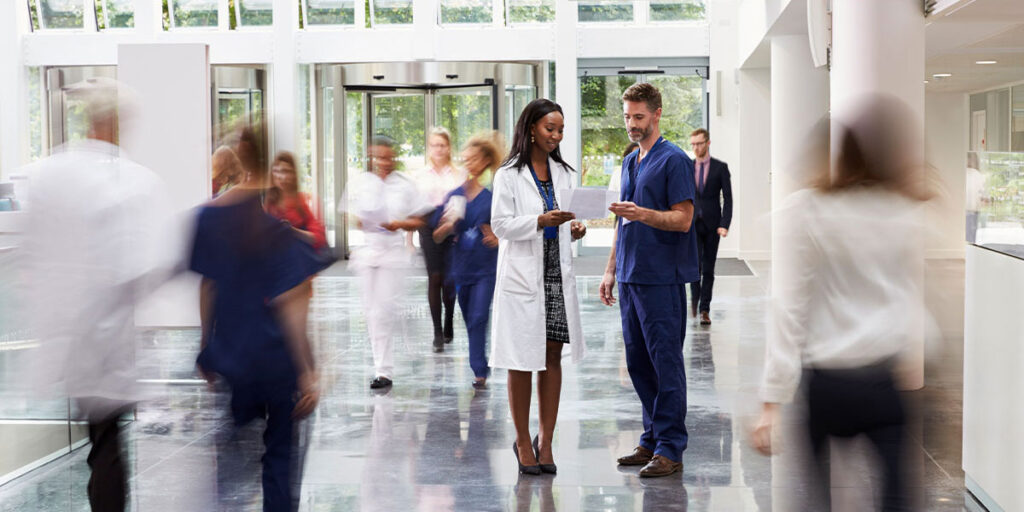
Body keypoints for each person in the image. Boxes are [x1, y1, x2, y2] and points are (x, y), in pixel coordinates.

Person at [750, 97, 930, 511]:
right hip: (883, 380)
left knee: (818, 500)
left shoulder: (807, 211)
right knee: (897, 498)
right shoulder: (902, 210)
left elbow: (789, 306)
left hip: (828, 384)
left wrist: (770, 400)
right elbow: (910, 300)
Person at [20, 77, 172, 512]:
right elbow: (148, 266)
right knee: (107, 444)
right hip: (109, 343)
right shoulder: (136, 182)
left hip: (69, 338)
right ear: (118, 121)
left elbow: (31, 255)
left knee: (102, 439)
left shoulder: (48, 171)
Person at [191, 125, 324, 512]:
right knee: (280, 457)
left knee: (231, 462)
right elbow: (293, 305)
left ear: (236, 157)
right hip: (277, 358)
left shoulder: (208, 217)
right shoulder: (282, 232)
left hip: (233, 351)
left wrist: (206, 347)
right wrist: (308, 371)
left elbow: (207, 287)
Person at [599, 82, 698, 478]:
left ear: (657, 114)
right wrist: (610, 270)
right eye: (627, 117)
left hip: (662, 278)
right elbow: (622, 221)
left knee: (665, 363)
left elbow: (684, 218)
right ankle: (652, 438)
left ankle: (671, 446)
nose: (631, 124)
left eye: (638, 117)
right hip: (630, 274)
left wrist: (645, 214)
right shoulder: (629, 162)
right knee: (639, 362)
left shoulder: (674, 160)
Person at [490, 98, 587, 475]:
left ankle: (545, 441)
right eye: (550, 128)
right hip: (523, 278)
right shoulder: (508, 175)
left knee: (551, 355)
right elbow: (500, 225)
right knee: (520, 360)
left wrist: (571, 229)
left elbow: (563, 223)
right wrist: (540, 221)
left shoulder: (563, 172)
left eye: (560, 130)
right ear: (531, 128)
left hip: (554, 276)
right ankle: (521, 439)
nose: (556, 135)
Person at [348, 135, 434, 389]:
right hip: (368, 253)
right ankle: (381, 369)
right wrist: (362, 221)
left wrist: (398, 224)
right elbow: (351, 216)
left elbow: (421, 220)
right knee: (372, 313)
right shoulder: (362, 183)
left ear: (393, 156)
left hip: (393, 255)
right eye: (377, 158)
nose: (382, 163)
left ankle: (391, 363)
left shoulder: (405, 185)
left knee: (384, 310)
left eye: (387, 157)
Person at [432, 133, 503, 389]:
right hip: (461, 268)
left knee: (478, 316)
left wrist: (498, 239)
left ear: (485, 161)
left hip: (486, 267)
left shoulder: (494, 197)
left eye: (474, 159)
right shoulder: (454, 196)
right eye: (466, 159)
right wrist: (448, 226)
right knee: (469, 317)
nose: (469, 163)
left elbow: (506, 231)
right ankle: (480, 364)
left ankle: (479, 370)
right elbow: (437, 235)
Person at [412, 127, 467, 352]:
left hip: (452, 227)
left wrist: (455, 223)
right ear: (429, 148)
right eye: (434, 145)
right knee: (434, 277)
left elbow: (463, 201)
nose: (438, 149)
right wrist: (408, 239)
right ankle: (436, 331)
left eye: (442, 145)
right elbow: (413, 208)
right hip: (427, 228)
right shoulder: (421, 176)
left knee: (449, 280)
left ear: (449, 148)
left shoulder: (459, 174)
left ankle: (448, 321)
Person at [688, 128, 732, 325]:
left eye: (699, 143)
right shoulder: (687, 167)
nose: (696, 148)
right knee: (693, 268)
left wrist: (725, 224)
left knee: (708, 269)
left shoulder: (720, 168)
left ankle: (705, 309)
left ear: (708, 143)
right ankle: (695, 305)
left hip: (713, 225)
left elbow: (728, 199)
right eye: (693, 144)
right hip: (692, 224)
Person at [266, 151, 327, 250]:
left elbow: (318, 238)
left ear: (294, 175)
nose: (282, 177)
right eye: (277, 171)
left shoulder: (301, 201)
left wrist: (293, 231)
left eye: (286, 171)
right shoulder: (267, 202)